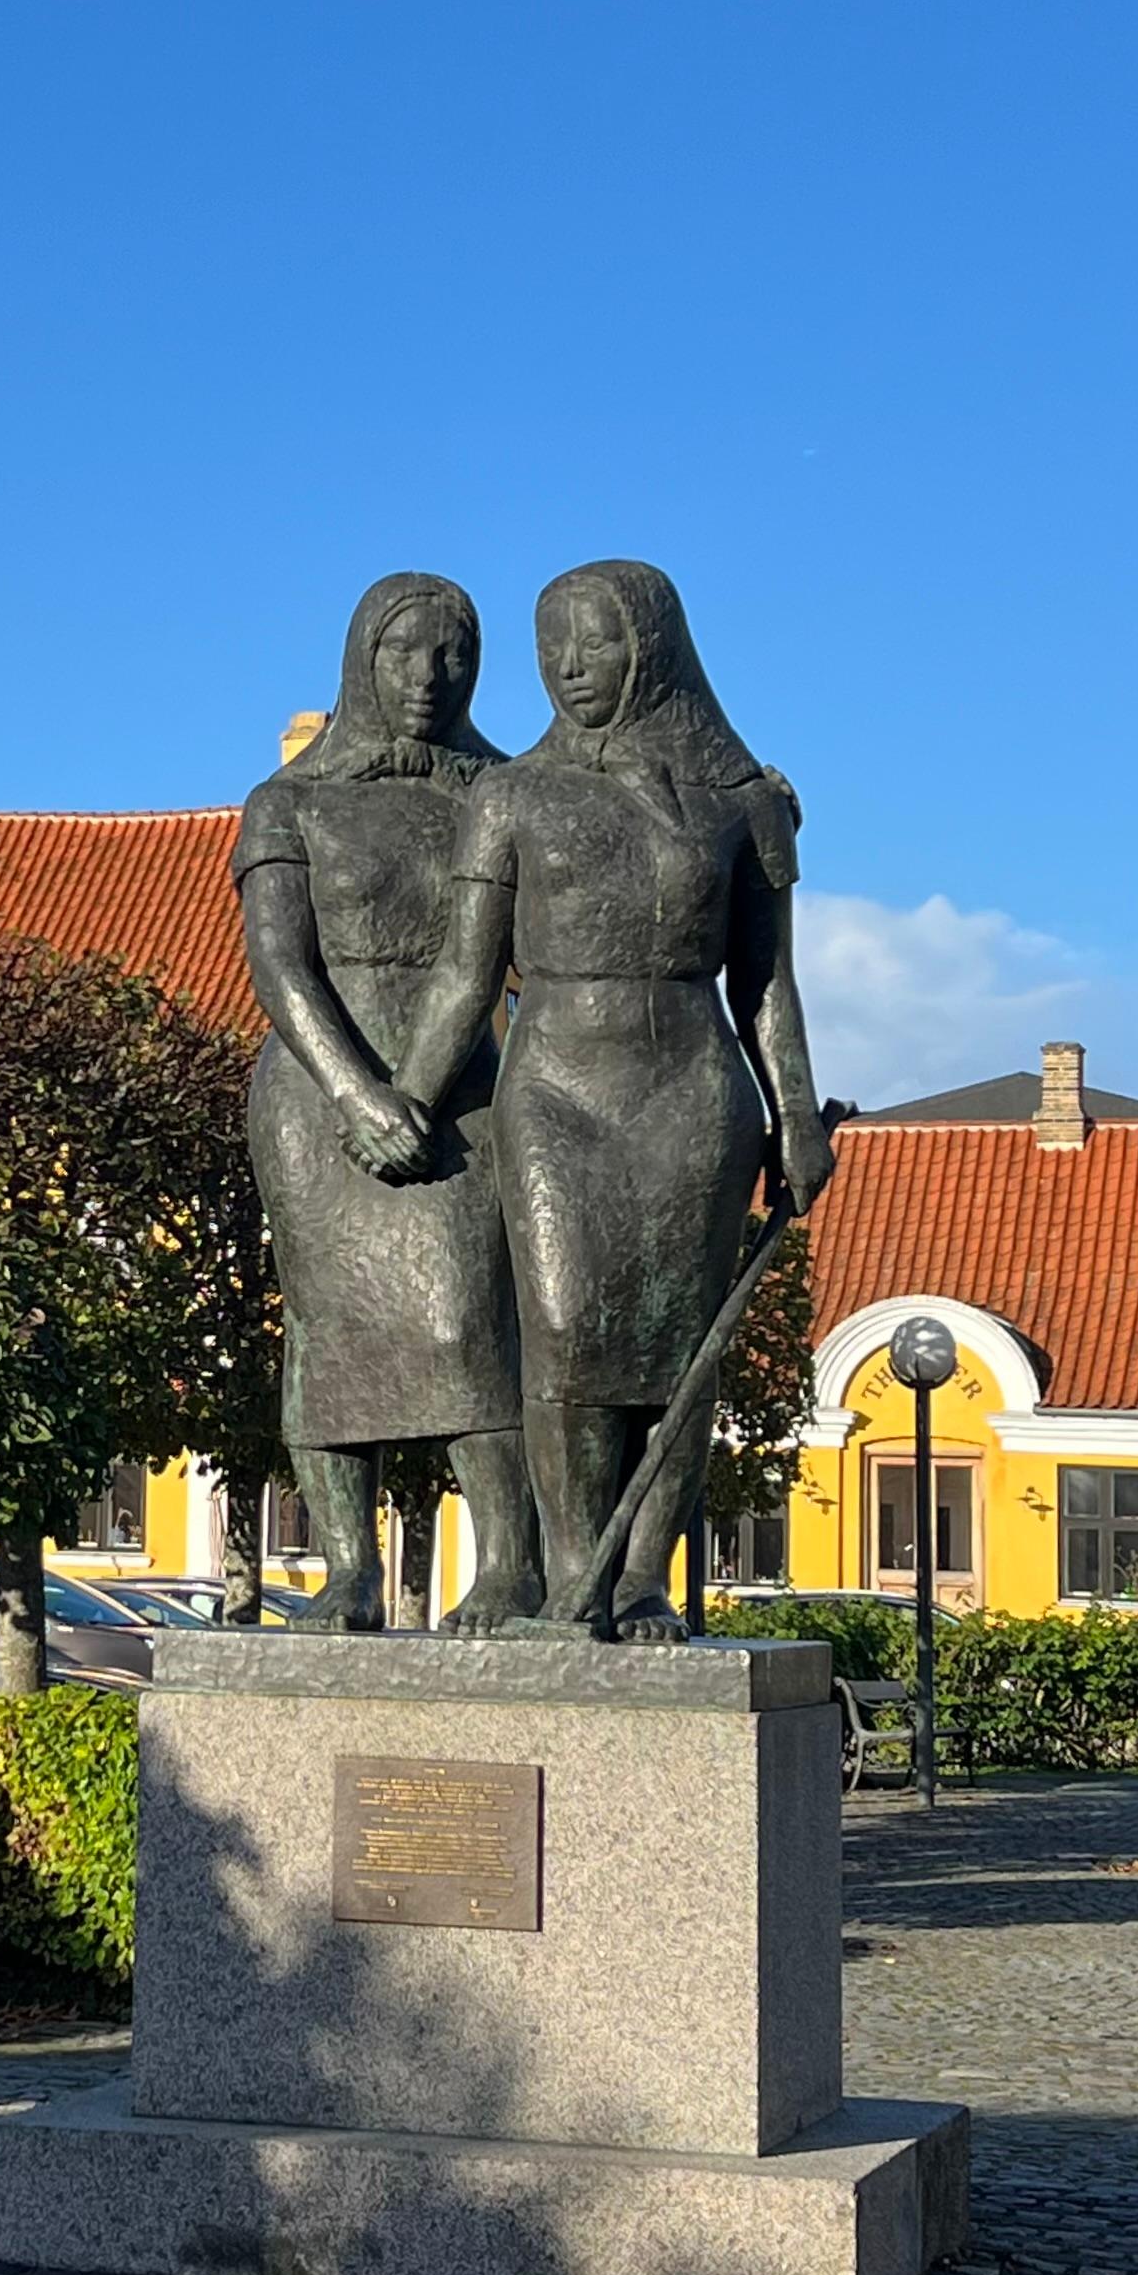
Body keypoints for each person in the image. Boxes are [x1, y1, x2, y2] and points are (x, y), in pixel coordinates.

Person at [395, 559, 835, 1638]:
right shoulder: (508, 797)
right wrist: (403, 1098)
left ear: (651, 647)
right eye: (551, 645)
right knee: (560, 1335)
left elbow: (766, 983)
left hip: (691, 1089)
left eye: (592, 641)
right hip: (554, 1092)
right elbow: (462, 974)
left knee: (678, 1352)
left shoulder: (741, 802)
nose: (567, 666)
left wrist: (796, 1114)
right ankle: (568, 1573)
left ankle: (638, 1581)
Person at [232, 571, 539, 1631]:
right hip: (319, 1091)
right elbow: (279, 967)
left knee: (472, 1318)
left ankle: (508, 1565)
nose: (429, 674)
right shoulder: (289, 804)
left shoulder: (505, 793)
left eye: (453, 652)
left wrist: (754, 807)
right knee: (329, 1330)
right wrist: (356, 1091)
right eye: (405, 651)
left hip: (464, 1093)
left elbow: (621, 831)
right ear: (362, 661)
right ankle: (349, 1572)